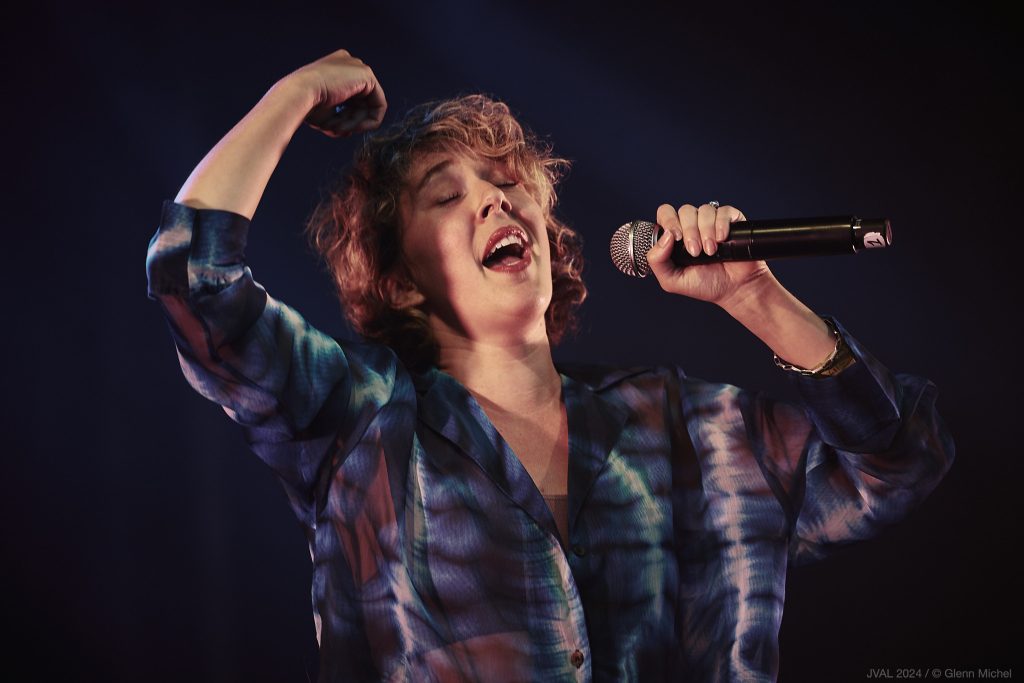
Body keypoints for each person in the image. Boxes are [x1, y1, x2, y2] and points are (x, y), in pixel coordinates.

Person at [146, 48, 954, 682]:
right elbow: (194, 278)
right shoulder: (360, 422)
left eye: (506, 181)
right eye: (446, 195)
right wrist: (295, 93)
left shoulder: (686, 426)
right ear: (399, 279)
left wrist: (756, 296)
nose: (495, 199)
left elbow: (900, 460)